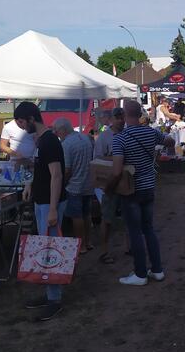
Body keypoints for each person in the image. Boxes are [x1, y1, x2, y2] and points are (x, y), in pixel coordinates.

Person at [109, 100, 173, 286]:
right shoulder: (151, 132)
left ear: (124, 115)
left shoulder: (120, 138)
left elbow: (116, 170)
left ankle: (140, 273)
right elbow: (169, 141)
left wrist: (109, 188)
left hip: (131, 191)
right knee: (149, 229)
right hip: (149, 187)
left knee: (135, 232)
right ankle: (157, 269)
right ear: (140, 114)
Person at [16, 102, 67, 321]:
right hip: (42, 200)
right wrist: (30, 186)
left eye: (20, 122)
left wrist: (53, 209)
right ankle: (50, 295)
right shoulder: (40, 141)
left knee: (51, 250)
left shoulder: (50, 141)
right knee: (45, 249)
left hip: (50, 203)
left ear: (30, 118)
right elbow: (41, 170)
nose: (20, 126)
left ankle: (55, 300)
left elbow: (56, 175)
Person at [54, 117, 95, 252]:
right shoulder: (85, 138)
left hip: (75, 185)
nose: (56, 134)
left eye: (57, 131)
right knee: (87, 214)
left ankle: (80, 245)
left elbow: (67, 169)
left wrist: (62, 183)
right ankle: (88, 242)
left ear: (63, 130)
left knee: (76, 216)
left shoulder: (66, 144)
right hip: (88, 183)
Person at [93, 107, 125, 264]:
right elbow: (97, 160)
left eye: (122, 117)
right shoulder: (104, 137)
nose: (120, 120)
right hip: (110, 183)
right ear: (111, 119)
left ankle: (130, 247)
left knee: (130, 217)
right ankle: (105, 251)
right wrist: (115, 159)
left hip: (127, 183)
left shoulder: (128, 134)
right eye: (117, 117)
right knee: (107, 218)